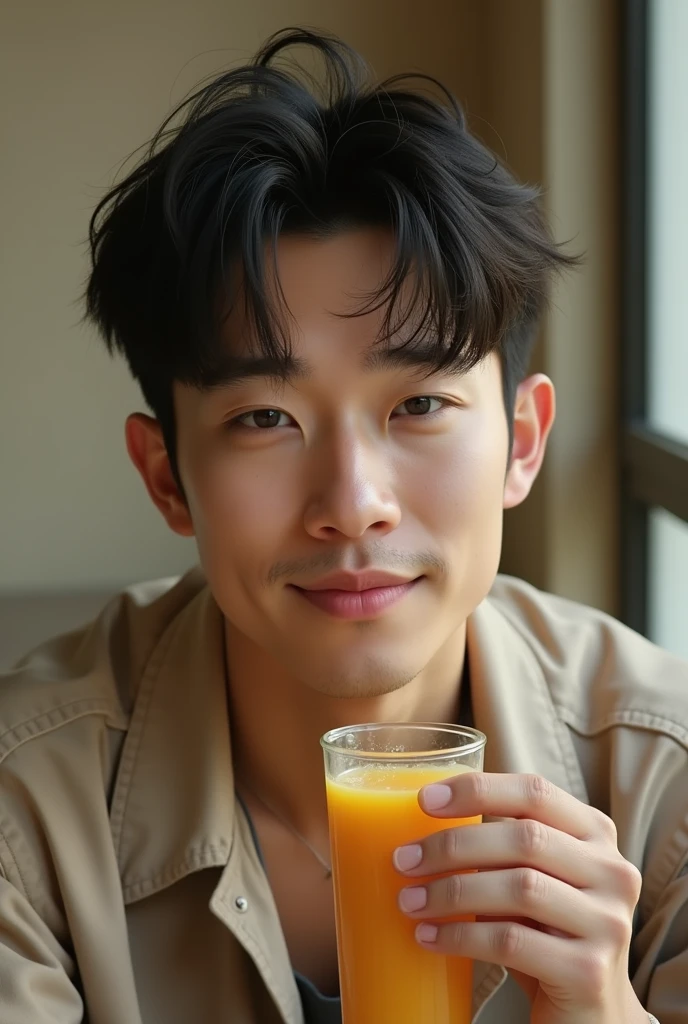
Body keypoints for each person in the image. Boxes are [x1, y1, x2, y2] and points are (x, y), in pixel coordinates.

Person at [0, 27, 684, 1024]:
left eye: (419, 406)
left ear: (522, 441)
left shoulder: (664, 782)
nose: (352, 501)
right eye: (263, 418)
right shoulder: (26, 810)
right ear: (168, 476)